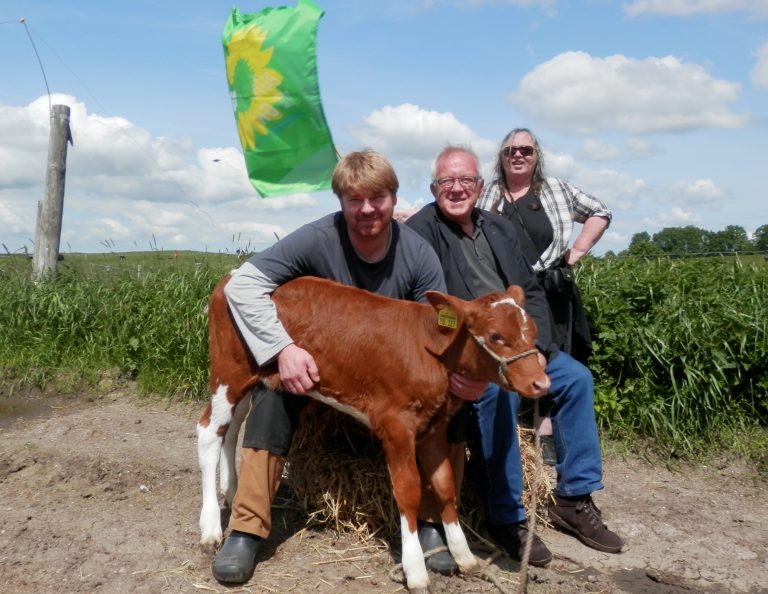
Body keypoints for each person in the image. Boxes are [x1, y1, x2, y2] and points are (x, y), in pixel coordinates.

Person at [211, 149, 486, 584]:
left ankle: (432, 525)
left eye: (377, 198)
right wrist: (283, 349)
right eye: (354, 200)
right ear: (340, 202)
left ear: (394, 200)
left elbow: (439, 329)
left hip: (389, 389)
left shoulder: (418, 255)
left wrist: (462, 377)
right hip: (319, 377)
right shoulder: (317, 238)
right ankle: (246, 528)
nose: (367, 209)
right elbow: (243, 284)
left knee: (447, 407)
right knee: (271, 398)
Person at [406, 145, 623, 570]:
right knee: (497, 393)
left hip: (517, 344)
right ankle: (508, 517)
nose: (456, 189)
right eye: (446, 181)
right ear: (434, 188)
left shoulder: (500, 228)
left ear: (479, 185)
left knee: (576, 379)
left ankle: (574, 498)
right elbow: (418, 308)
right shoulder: (419, 231)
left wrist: (537, 351)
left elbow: (532, 290)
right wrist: (455, 367)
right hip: (471, 352)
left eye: (465, 180)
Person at [478, 128, 612, 462]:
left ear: (536, 155)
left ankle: (545, 430)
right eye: (511, 151)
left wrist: (578, 250)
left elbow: (600, 211)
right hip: (507, 291)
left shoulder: (556, 189)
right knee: (509, 352)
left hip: (549, 287)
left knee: (551, 355)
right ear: (502, 157)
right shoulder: (488, 194)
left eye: (526, 150)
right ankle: (507, 428)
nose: (518, 155)